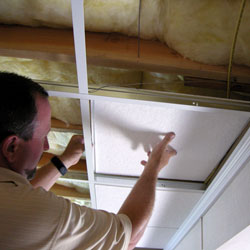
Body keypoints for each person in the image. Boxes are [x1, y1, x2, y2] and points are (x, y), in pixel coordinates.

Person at [0, 72, 177, 250]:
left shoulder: (14, 204)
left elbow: (23, 196)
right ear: (11, 147)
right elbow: (129, 235)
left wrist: (64, 161)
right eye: (43, 137)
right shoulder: (38, 215)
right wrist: (154, 166)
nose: (46, 146)